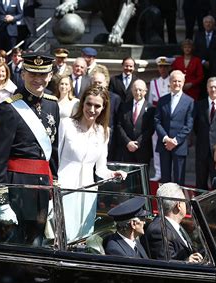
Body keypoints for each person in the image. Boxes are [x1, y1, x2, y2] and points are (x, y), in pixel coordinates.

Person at [0, 53, 60, 245]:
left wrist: (52, 191)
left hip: (42, 188)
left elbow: (52, 152)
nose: (38, 80)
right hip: (16, 189)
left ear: (50, 76)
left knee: (38, 246)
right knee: (15, 248)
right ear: (23, 74)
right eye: (32, 74)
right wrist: (1, 203)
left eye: (43, 75)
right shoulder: (8, 109)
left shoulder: (52, 106)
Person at [58, 85, 127, 242]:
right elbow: (54, 158)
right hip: (64, 190)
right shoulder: (66, 125)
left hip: (88, 193)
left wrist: (113, 174)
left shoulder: (104, 132)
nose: (92, 109)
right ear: (82, 103)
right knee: (63, 235)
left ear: (103, 108)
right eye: (89, 104)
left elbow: (101, 169)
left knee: (83, 237)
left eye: (97, 106)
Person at [143, 182, 203, 263]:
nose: (186, 204)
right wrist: (187, 262)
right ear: (178, 205)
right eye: (184, 201)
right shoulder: (159, 231)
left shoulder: (174, 224)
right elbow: (165, 265)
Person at [154, 70, 194, 186]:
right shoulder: (162, 100)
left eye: (179, 81)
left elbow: (189, 125)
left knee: (179, 180)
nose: (177, 83)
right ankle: (164, 202)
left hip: (179, 145)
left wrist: (175, 141)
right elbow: (157, 121)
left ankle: (178, 203)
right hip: (164, 144)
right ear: (170, 82)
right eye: (174, 81)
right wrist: (166, 138)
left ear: (183, 82)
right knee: (165, 179)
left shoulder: (190, 101)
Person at [115, 79, 155, 164]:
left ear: (145, 91)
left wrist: (138, 143)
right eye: (135, 90)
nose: (138, 92)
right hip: (126, 149)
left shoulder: (151, 108)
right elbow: (119, 125)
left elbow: (151, 128)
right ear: (132, 91)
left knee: (142, 176)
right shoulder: (124, 106)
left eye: (140, 90)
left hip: (143, 149)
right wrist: (128, 142)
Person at [148, 56, 172, 181]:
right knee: (155, 143)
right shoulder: (153, 82)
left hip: (168, 115)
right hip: (157, 115)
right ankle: (158, 171)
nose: (162, 69)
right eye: (160, 66)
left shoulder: (172, 81)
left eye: (165, 67)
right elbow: (151, 101)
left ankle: (168, 171)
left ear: (169, 67)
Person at [91, 72, 122, 159]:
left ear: (106, 83)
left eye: (100, 82)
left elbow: (118, 121)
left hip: (109, 137)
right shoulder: (88, 97)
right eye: (95, 82)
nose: (97, 85)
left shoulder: (115, 98)